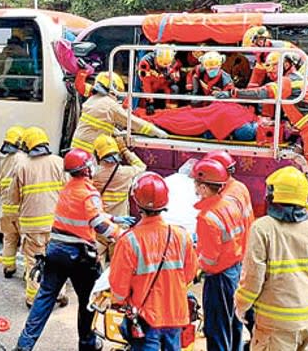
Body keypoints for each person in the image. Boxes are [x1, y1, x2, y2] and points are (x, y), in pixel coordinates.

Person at [14, 149, 124, 351]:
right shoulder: (88, 192)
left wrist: (113, 218)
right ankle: (87, 344)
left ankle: (24, 344)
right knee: (87, 300)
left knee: (45, 297)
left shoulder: (68, 188)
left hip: (56, 250)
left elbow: (84, 213)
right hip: (80, 255)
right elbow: (98, 223)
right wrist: (121, 235)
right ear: (86, 169)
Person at [235, 166, 308, 350]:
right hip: (306, 320)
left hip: (274, 326)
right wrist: (306, 206)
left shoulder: (262, 228)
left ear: (272, 196)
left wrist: (241, 305)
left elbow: (253, 280)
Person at [109, 171, 198, 351]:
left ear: (137, 202)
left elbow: (119, 288)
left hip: (145, 319)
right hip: (176, 316)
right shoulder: (181, 236)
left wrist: (121, 302)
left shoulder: (129, 241)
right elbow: (189, 275)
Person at [221, 52, 308, 176]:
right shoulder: (298, 78)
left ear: (285, 65)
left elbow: (261, 93)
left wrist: (232, 94)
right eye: (268, 71)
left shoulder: (288, 81)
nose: (270, 74)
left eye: (273, 70)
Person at [191, 158, 251, 351]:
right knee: (234, 323)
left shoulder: (207, 218)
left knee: (216, 328)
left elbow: (209, 259)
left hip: (218, 277)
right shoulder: (230, 204)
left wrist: (194, 267)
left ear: (203, 187)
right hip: (234, 269)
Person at [9, 127, 67, 307]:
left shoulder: (22, 166)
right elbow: (67, 189)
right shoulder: (58, 162)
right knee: (57, 260)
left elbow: (13, 196)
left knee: (33, 261)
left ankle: (33, 298)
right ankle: (59, 294)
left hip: (32, 225)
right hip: (55, 223)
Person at [71, 71, 168, 153]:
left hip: (76, 147)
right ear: (113, 89)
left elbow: (98, 123)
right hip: (89, 150)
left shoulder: (93, 99)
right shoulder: (110, 105)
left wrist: (115, 132)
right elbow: (133, 122)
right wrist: (156, 132)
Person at [91, 134, 146, 262]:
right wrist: (124, 149)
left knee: (97, 265)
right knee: (117, 265)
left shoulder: (95, 174)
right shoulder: (126, 172)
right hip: (120, 226)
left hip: (100, 224)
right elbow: (141, 166)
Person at [243, 26, 308, 92]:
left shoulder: (278, 50)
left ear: (260, 41)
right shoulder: (263, 55)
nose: (253, 52)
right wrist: (246, 94)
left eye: (253, 48)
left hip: (307, 75)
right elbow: (256, 79)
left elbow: (276, 73)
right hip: (295, 75)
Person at [0, 125, 27, 278]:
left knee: (9, 239)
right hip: (21, 209)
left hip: (6, 209)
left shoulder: (4, 162)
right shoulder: (24, 160)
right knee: (27, 242)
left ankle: (8, 267)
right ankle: (29, 272)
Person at [137, 45, 182, 114]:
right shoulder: (145, 63)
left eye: (166, 64)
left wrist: (171, 78)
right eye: (161, 62)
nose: (163, 65)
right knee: (145, 102)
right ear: (156, 56)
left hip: (164, 83)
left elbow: (176, 78)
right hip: (150, 85)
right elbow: (146, 83)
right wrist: (149, 102)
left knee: (174, 88)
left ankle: (171, 112)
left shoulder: (174, 62)